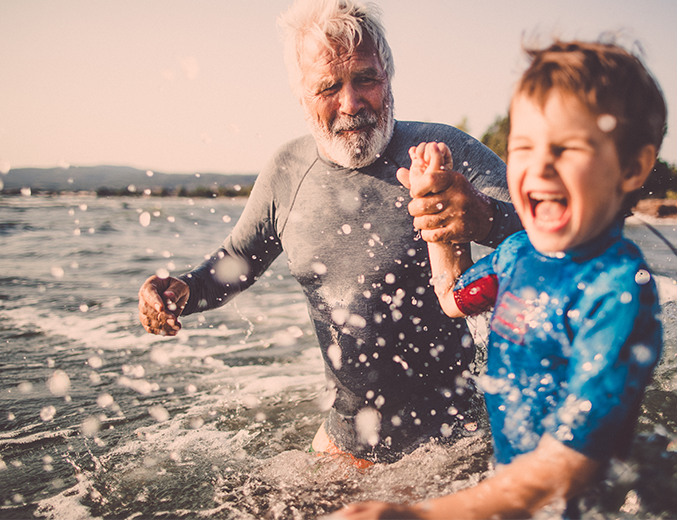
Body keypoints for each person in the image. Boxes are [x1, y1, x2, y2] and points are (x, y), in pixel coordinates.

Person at [138, 0, 521, 465]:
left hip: (452, 451)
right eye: (328, 87)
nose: (351, 103)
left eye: (366, 79)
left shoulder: (443, 152)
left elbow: (554, 230)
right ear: (301, 96)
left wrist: (483, 218)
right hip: (343, 448)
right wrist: (183, 290)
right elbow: (235, 262)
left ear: (388, 78)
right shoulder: (286, 172)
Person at [334, 38, 665, 519]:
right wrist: (435, 216)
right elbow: (451, 297)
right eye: (524, 146)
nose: (539, 166)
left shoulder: (616, 289)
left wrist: (424, 514)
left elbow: (571, 464)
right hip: (509, 498)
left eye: (568, 147)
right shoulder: (516, 256)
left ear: (634, 166)